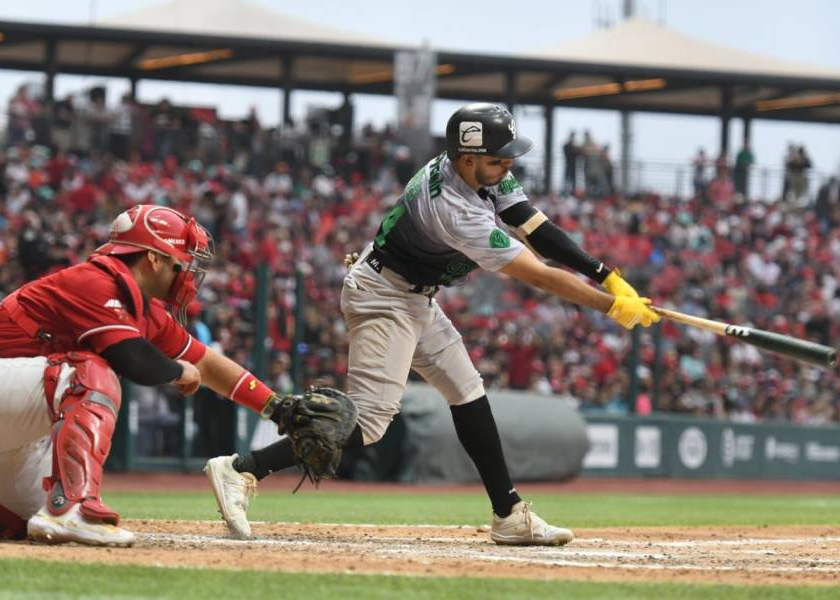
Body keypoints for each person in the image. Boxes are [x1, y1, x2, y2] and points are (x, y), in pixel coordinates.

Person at [205, 103, 659, 546]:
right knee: (365, 424)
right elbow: (537, 272)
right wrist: (610, 307)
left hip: (412, 296)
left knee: (468, 390)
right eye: (499, 161)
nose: (507, 168)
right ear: (468, 159)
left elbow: (532, 225)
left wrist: (607, 275)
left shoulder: (474, 167)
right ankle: (242, 467)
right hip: (384, 297)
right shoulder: (455, 211)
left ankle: (509, 515)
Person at [0, 204, 345, 546]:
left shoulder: (138, 305)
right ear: (153, 258)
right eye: (180, 263)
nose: (187, 273)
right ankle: (71, 507)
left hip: (4, 420)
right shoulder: (96, 282)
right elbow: (132, 359)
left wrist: (276, 408)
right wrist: (177, 371)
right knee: (88, 372)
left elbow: (207, 362)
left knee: (20, 519)